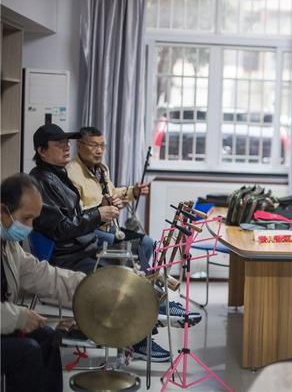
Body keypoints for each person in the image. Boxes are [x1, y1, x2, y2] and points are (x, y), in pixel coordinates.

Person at [28, 124, 199, 362]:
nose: (66, 148)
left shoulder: (58, 174)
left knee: (134, 261)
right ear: (42, 151)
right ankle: (138, 339)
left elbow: (73, 216)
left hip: (84, 247)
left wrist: (100, 208)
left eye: (67, 143)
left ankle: (154, 309)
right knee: (122, 281)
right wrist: (98, 214)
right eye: (59, 145)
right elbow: (60, 228)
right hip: (69, 256)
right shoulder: (41, 182)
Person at [1, 173, 85, 392]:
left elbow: (43, 275)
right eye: (26, 218)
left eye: (33, 220)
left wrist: (90, 287)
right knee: (26, 352)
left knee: (48, 337)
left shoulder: (8, 245)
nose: (30, 227)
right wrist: (18, 317)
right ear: (3, 211)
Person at [67, 127, 154, 273]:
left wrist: (133, 191)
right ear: (80, 146)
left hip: (109, 228)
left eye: (102, 146)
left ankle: (135, 280)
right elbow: (76, 214)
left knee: (147, 242)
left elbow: (112, 192)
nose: (99, 151)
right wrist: (102, 207)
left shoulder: (101, 169)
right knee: (126, 247)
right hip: (90, 232)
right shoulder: (72, 173)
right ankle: (123, 280)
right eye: (94, 145)